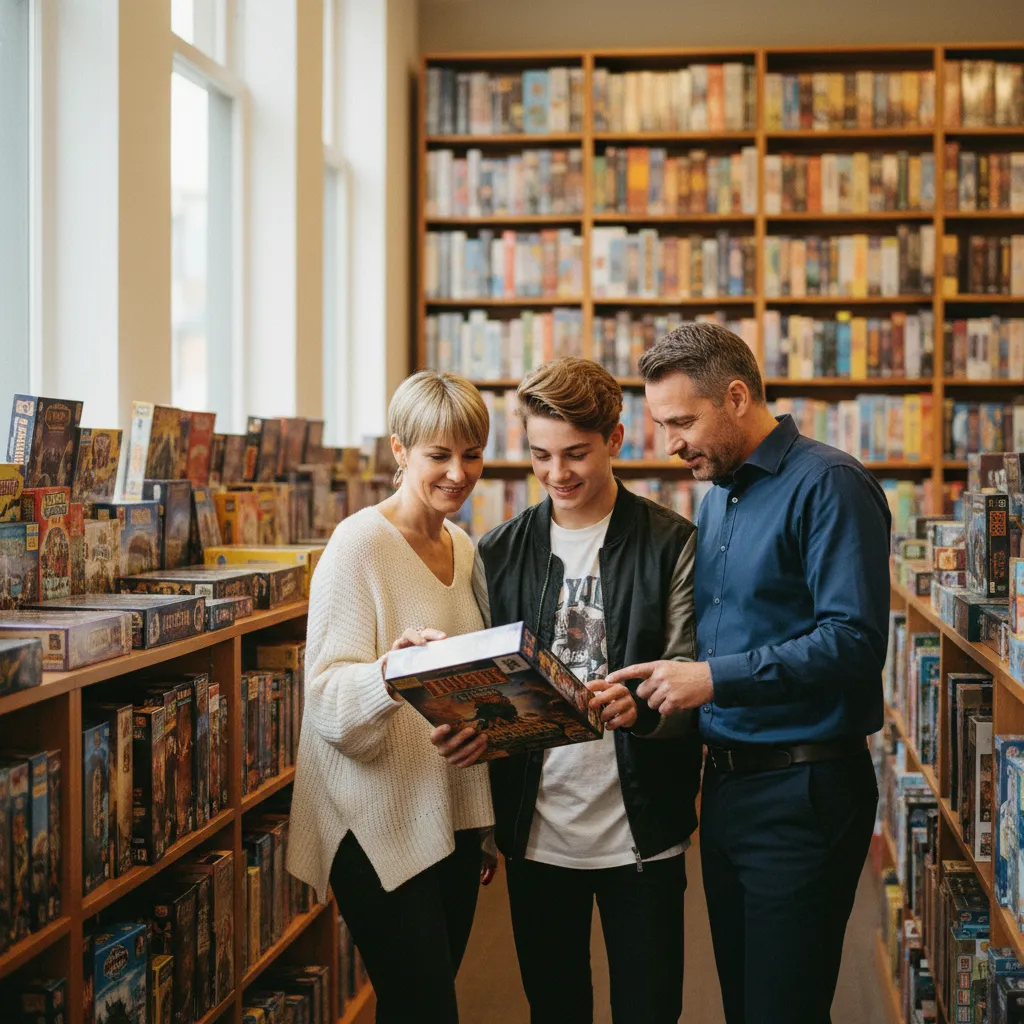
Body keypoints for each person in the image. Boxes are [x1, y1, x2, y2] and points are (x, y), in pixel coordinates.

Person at [604, 322, 891, 1024]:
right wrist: (652, 686)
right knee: (745, 1003)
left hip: (804, 788)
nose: (671, 442)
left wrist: (713, 678)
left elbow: (853, 642)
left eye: (680, 421)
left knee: (780, 1008)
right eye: (661, 423)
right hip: (728, 789)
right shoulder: (719, 498)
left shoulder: (829, 484)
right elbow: (729, 636)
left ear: (735, 396)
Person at [434, 357, 702, 1024]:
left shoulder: (671, 542)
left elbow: (690, 681)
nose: (558, 474)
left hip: (643, 831)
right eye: (541, 456)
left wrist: (638, 710)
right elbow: (483, 686)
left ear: (614, 438)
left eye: (576, 453)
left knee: (650, 1008)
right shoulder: (495, 552)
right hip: (539, 832)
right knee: (555, 1008)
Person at [287, 370, 496, 1024]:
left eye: (472, 454)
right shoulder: (358, 544)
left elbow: (471, 690)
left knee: (417, 1006)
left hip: (449, 812)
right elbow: (322, 698)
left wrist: (483, 824)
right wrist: (388, 673)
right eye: (439, 455)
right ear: (400, 451)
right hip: (372, 816)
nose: (458, 473)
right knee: (426, 1007)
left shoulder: (463, 547)